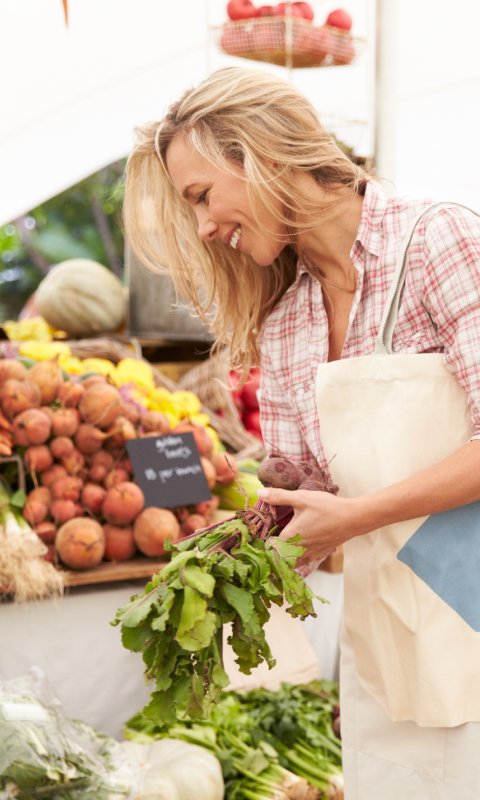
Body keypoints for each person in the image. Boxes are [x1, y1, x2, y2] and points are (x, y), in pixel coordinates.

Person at [123, 66, 480, 798]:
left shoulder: (439, 239)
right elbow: (309, 497)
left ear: (263, 156)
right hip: (391, 640)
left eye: (201, 196)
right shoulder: (286, 323)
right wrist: (234, 554)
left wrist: (352, 517)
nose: (202, 228)